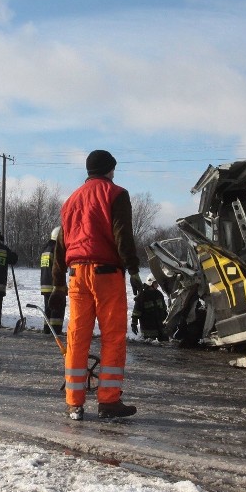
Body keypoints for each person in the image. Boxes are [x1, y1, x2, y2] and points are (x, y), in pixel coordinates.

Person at [50, 150, 142, 421]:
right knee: (112, 337)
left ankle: (74, 403)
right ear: (109, 169)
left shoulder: (70, 201)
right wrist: (134, 269)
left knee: (78, 338)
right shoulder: (115, 194)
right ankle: (108, 402)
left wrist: (58, 284)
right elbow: (122, 233)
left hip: (77, 275)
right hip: (106, 275)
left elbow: (60, 245)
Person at [39, 226, 64, 335]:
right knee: (57, 308)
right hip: (55, 284)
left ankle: (47, 330)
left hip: (45, 284)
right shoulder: (56, 249)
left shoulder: (46, 249)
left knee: (48, 308)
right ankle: (56, 331)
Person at [131, 274, 168, 341]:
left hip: (161, 328)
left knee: (165, 344)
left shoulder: (159, 294)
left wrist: (166, 320)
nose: (158, 285)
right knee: (150, 346)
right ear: (151, 283)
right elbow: (136, 311)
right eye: (156, 283)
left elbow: (164, 309)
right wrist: (134, 324)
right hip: (148, 330)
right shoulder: (142, 296)